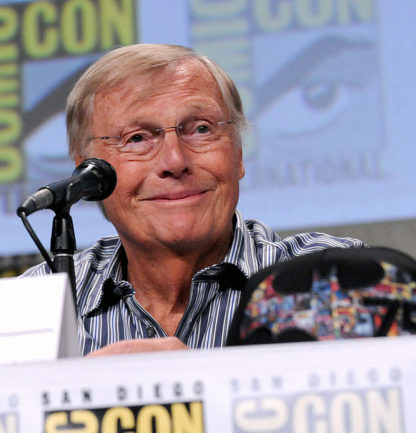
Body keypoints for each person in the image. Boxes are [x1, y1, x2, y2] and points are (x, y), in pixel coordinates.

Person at [22, 44, 364, 356]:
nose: (175, 161)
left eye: (201, 129)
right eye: (137, 138)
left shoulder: (334, 280)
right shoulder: (33, 304)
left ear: (238, 154)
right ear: (87, 171)